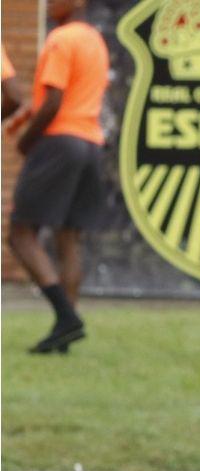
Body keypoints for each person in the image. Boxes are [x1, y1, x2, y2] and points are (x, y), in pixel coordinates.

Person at [7, 0, 109, 354]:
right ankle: (64, 333)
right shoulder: (95, 40)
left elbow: (54, 101)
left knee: (21, 233)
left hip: (60, 141)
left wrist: (26, 141)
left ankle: (66, 317)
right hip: (91, 143)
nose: (49, 3)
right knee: (68, 239)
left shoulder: (61, 39)